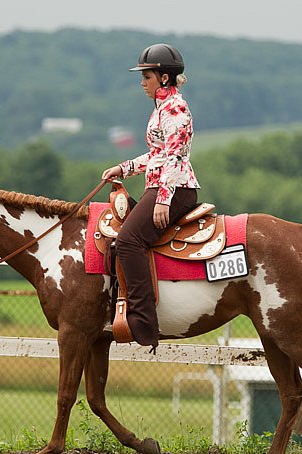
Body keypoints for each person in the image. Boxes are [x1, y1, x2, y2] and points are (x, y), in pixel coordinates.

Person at [101, 43, 200, 349]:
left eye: (147, 75)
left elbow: (173, 158)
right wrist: (124, 168)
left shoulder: (176, 111)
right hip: (160, 186)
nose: (142, 82)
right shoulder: (161, 110)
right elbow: (156, 156)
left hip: (176, 190)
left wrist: (163, 199)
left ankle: (143, 320)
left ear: (165, 78)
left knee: (129, 241)